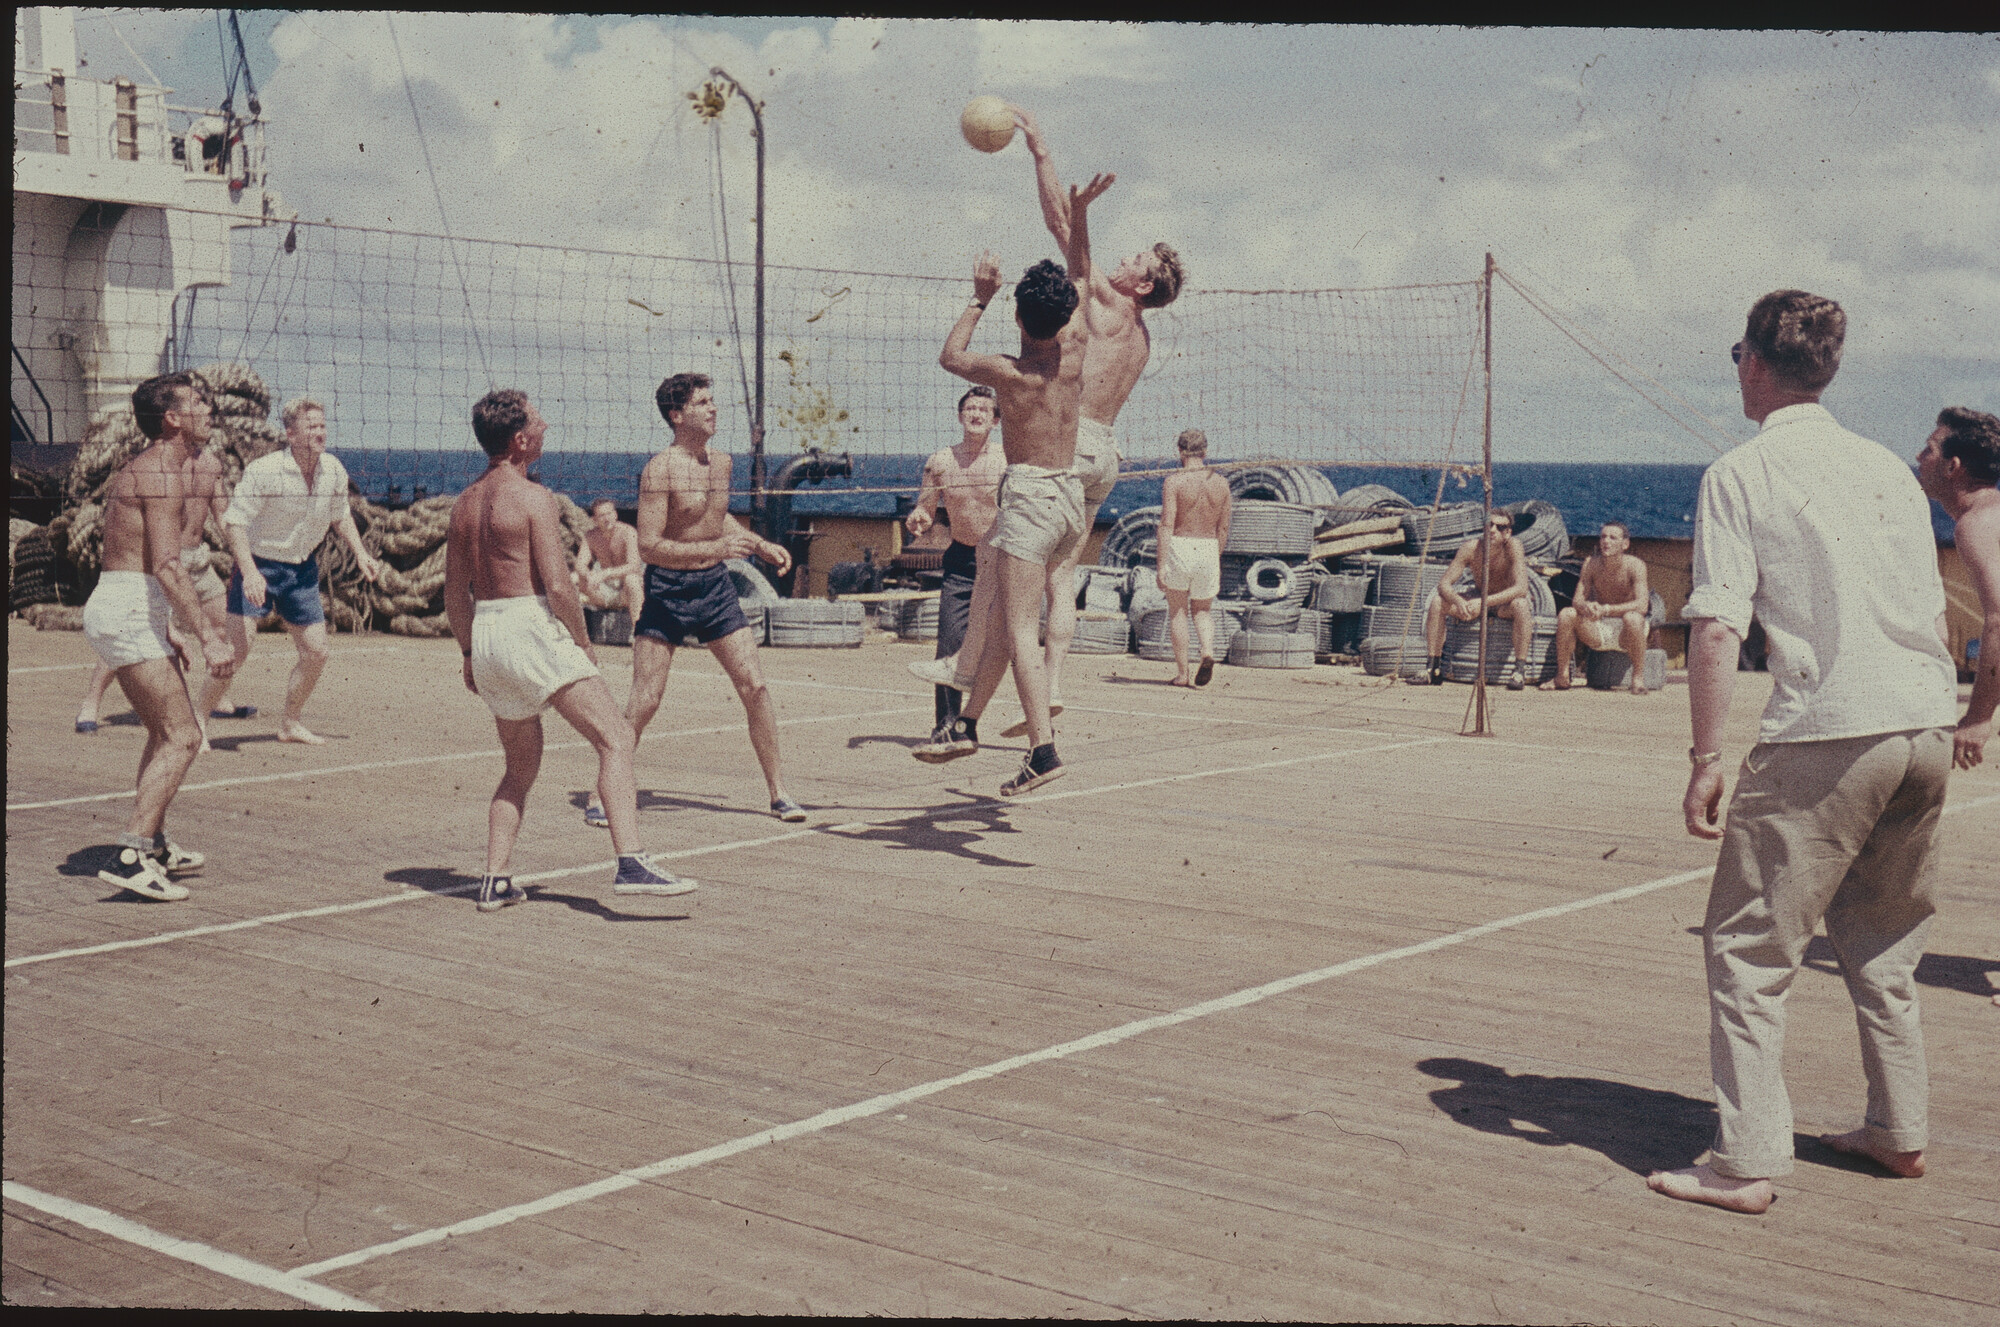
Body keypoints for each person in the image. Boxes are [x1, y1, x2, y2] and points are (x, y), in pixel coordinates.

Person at [1649, 290, 1957, 1215]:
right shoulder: (1887, 469)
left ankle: (1744, 1162)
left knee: (1747, 948)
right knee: (1886, 943)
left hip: (1829, 729)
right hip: (1924, 723)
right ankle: (1897, 1129)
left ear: (1751, 359)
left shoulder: (1741, 472)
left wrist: (1707, 754)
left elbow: (1715, 626)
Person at [444, 389, 694, 912]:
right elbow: (559, 586)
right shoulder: (534, 497)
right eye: (539, 422)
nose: (547, 426)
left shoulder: (464, 503)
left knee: (518, 766)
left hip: (487, 632)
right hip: (529, 624)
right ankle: (631, 862)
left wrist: (470, 654)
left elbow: (454, 593)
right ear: (519, 440)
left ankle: (494, 879)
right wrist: (581, 642)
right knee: (616, 738)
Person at [995, 104, 1185, 732]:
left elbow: (1062, 229)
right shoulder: (1142, 337)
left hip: (1070, 448)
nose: (1122, 261)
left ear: (1140, 286)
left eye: (1133, 261)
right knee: (1065, 573)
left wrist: (1043, 153)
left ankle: (976, 681)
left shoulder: (1105, 301)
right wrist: (1060, 190)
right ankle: (1051, 689)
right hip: (1106, 452)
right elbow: (1066, 233)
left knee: (1022, 568)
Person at [938, 172, 1112, 796]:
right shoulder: (1074, 352)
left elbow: (951, 357)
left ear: (1016, 313)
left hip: (1034, 495)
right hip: (1070, 497)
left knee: (1016, 630)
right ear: (1067, 314)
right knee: (1007, 619)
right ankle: (965, 724)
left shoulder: (1008, 373)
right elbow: (1084, 274)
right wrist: (1081, 213)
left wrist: (978, 296)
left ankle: (1042, 749)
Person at [616, 372, 804, 824]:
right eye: (703, 402)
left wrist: (758, 545)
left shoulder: (721, 462)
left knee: (755, 687)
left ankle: (778, 792)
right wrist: (714, 550)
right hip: (667, 590)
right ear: (677, 415)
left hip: (715, 589)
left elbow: (718, 522)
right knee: (646, 698)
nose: (713, 408)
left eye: (713, 400)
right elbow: (648, 546)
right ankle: (605, 792)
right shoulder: (659, 470)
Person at [78, 372, 236, 901]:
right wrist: (210, 635)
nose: (208, 409)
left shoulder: (159, 467)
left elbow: (145, 561)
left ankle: (156, 844)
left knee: (162, 732)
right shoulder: (162, 474)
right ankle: (131, 854)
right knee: (185, 736)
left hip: (131, 605)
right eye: (197, 402)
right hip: (127, 609)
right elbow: (169, 566)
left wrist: (167, 624)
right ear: (172, 418)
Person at [203, 398, 381, 744]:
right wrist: (250, 573)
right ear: (291, 434)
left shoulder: (333, 469)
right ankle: (197, 724)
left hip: (301, 570)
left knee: (316, 652)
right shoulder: (265, 470)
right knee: (237, 651)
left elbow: (340, 514)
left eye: (322, 426)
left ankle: (289, 723)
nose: (319, 432)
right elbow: (235, 523)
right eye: (311, 427)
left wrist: (360, 552)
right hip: (258, 564)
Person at [76, 430, 243, 739]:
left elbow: (223, 517)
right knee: (133, 637)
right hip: (165, 565)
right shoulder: (161, 468)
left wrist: (245, 556)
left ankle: (217, 696)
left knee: (222, 626)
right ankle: (91, 703)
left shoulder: (211, 466)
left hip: (198, 560)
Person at [907, 386, 1005, 762]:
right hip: (962, 561)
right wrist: (920, 517)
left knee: (1014, 642)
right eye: (970, 407)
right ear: (960, 414)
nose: (976, 413)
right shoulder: (941, 461)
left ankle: (1035, 726)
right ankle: (945, 725)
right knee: (949, 644)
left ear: (996, 420)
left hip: (1001, 559)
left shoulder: (1007, 459)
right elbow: (925, 507)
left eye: (984, 409)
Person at [1914, 406, 2000, 770]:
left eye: (1930, 449)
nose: (1918, 457)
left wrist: (1979, 717)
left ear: (1953, 466)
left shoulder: (1976, 524)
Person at [1421, 511, 1534, 689]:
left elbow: (1521, 588)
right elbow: (1444, 584)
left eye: (1500, 527)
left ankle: (1519, 671)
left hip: (1503, 604)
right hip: (1478, 602)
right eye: (1489, 524)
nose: (1493, 530)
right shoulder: (1471, 548)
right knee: (1437, 602)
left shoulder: (1513, 547)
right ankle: (1432, 668)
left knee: (1521, 605)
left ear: (1507, 533)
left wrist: (1484, 601)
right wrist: (1458, 601)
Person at [1156, 428, 1231, 687]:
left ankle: (1183, 674)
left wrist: (1160, 565)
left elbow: (1167, 524)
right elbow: (1223, 528)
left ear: (1179, 451)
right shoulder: (1221, 483)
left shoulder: (1174, 482)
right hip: (1209, 547)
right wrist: (1215, 556)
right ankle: (1208, 651)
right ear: (1205, 451)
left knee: (1178, 612)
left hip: (1181, 544)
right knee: (1202, 610)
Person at [1543, 520, 1651, 692]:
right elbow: (1577, 600)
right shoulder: (1591, 563)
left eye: (1613, 538)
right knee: (1567, 614)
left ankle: (1638, 679)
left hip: (1627, 631)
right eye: (1603, 537)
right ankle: (1562, 676)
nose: (1606, 541)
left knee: (1633, 618)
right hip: (1598, 629)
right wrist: (1587, 607)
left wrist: (1607, 609)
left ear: (1625, 544)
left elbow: (1642, 605)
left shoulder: (1636, 565)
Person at [573, 497, 645, 619]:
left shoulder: (628, 532)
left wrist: (606, 573)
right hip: (603, 591)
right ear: (594, 519)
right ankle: (573, 631)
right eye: (601, 516)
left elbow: (634, 565)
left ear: (615, 514)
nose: (607, 519)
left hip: (625, 590)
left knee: (632, 579)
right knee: (573, 578)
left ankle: (637, 629)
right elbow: (580, 564)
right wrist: (588, 575)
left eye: (609, 513)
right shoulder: (591, 536)